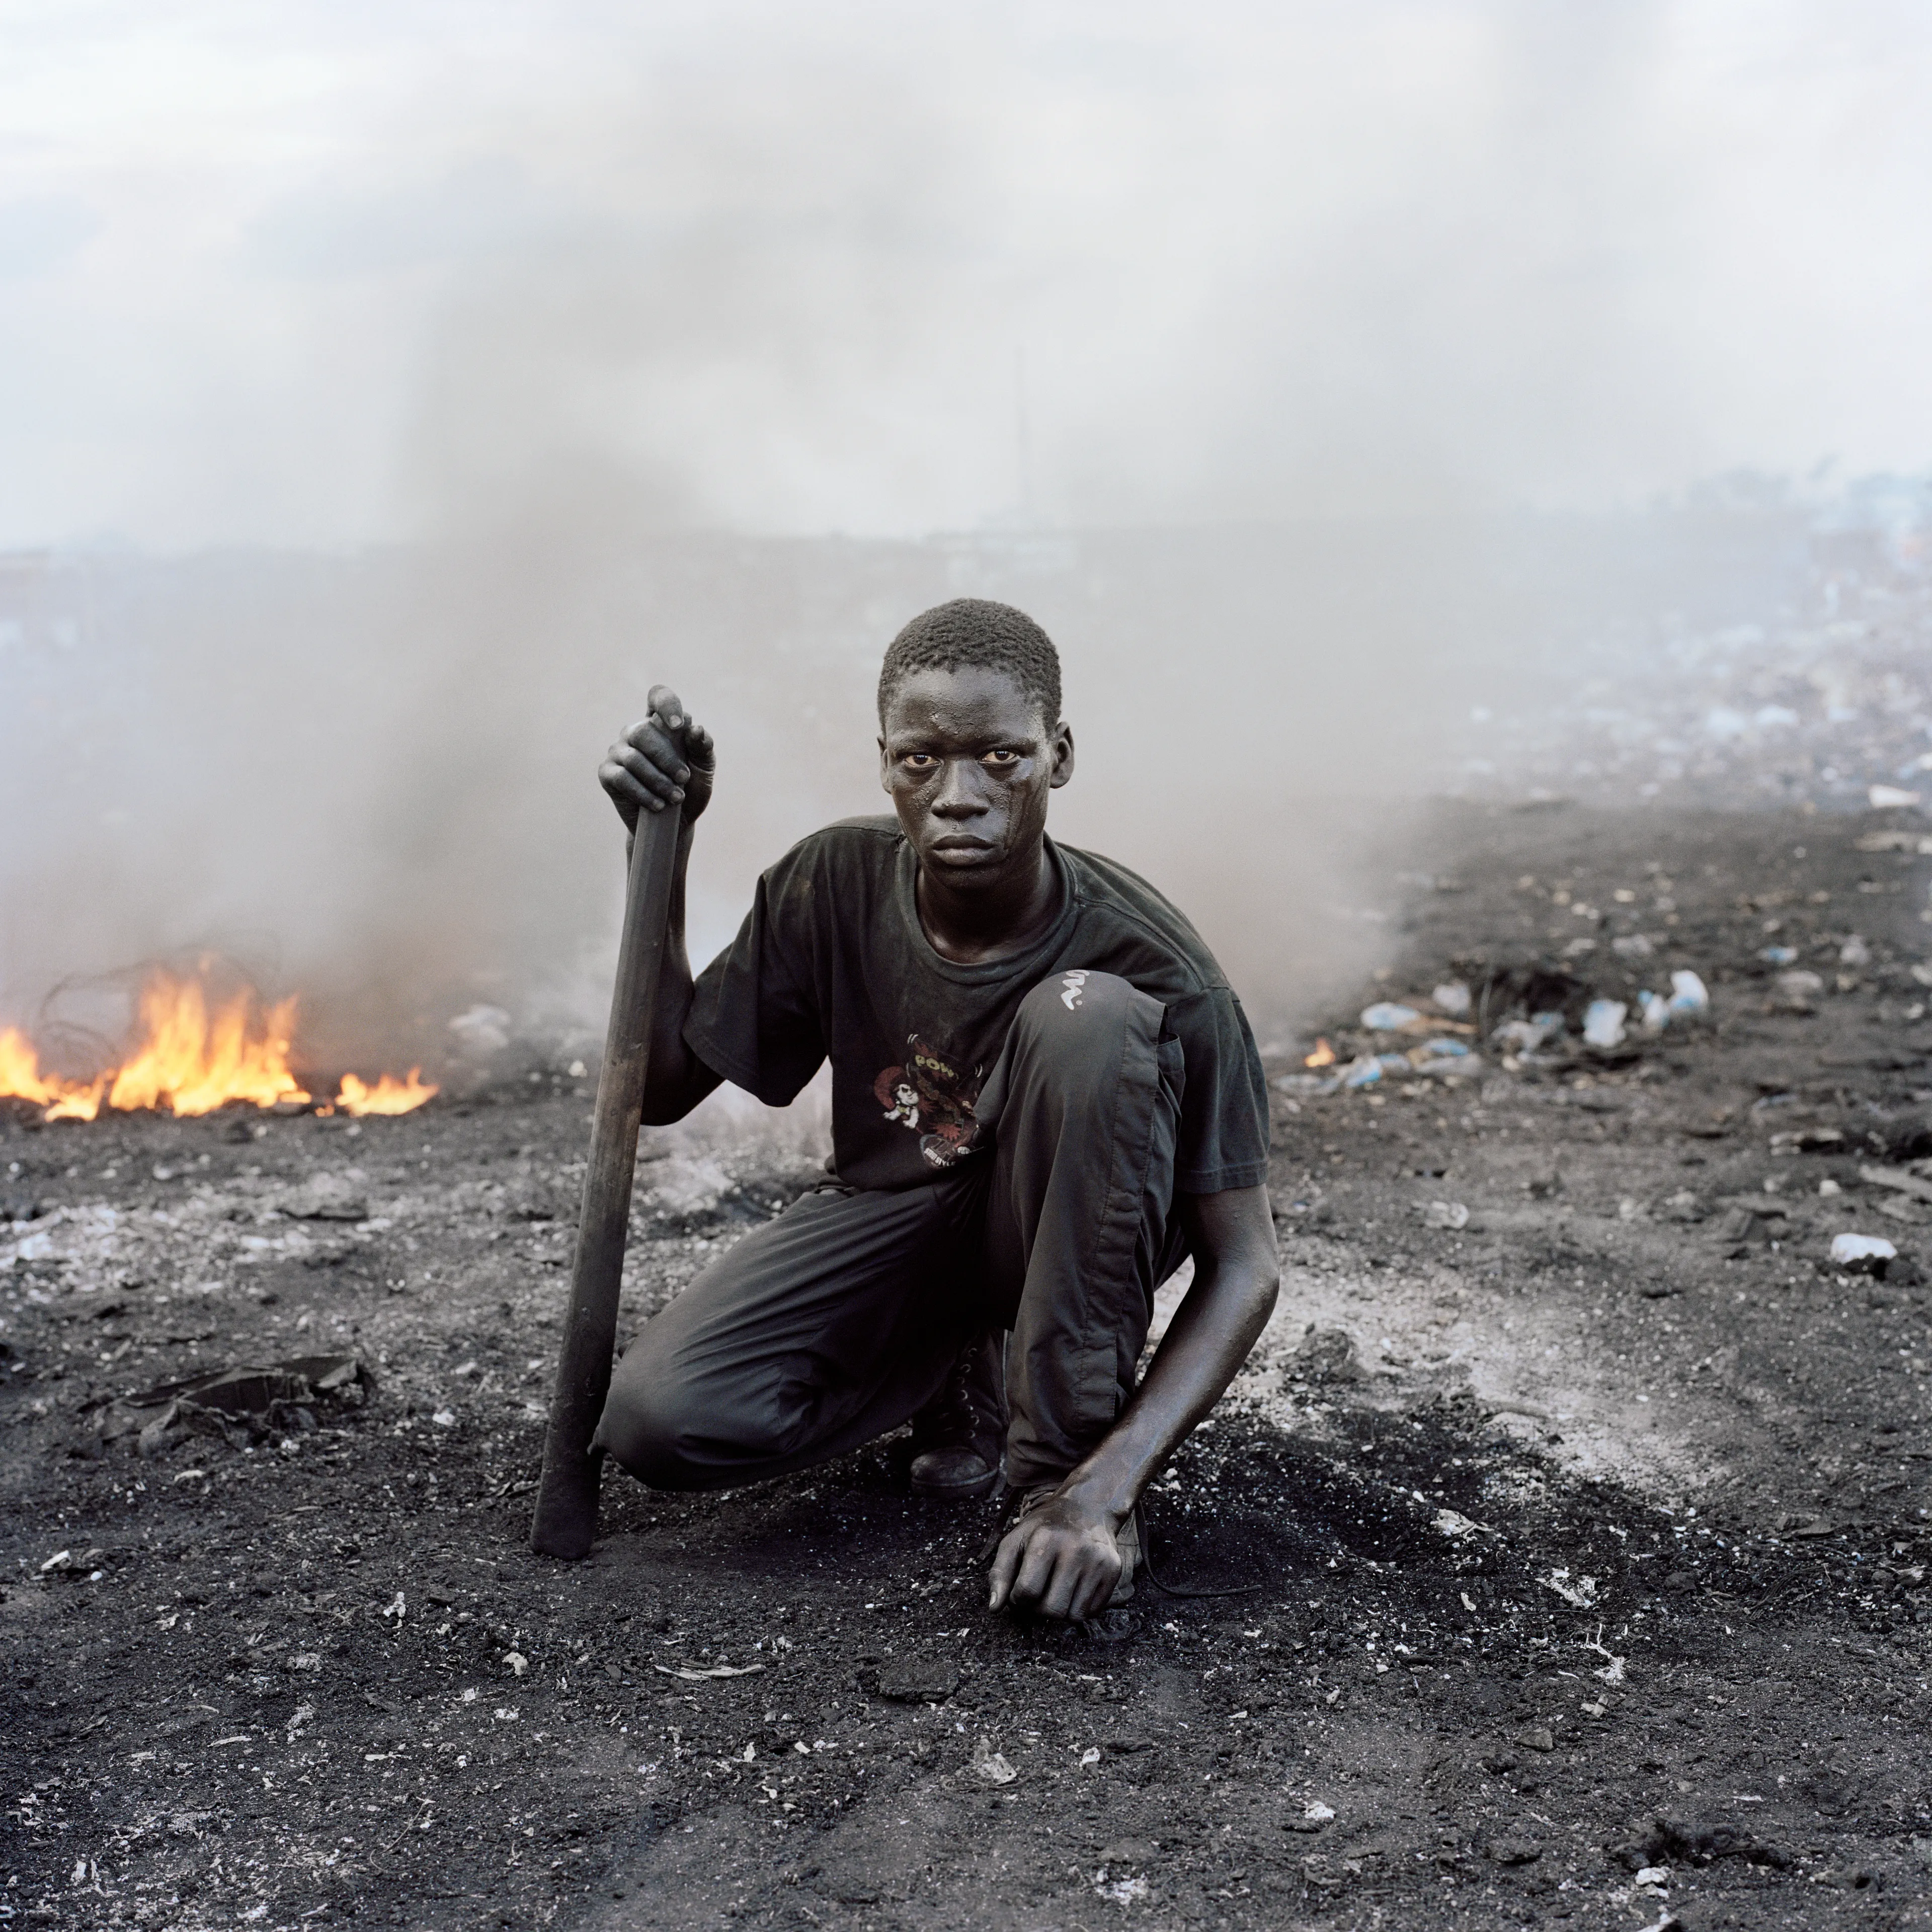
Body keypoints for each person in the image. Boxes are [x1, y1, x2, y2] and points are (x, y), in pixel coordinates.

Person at [592, 598, 1279, 1622]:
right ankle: (953, 1370)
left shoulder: (1157, 966)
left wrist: (1104, 1486)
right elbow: (659, 1092)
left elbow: (1247, 1266)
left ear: (1061, 755)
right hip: (899, 1214)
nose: (959, 796)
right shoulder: (833, 882)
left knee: (1087, 1022)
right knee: (660, 1420)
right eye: (923, 760)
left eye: (1000, 759)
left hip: (1067, 1228)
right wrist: (667, 845)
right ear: (884, 762)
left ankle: (1055, 1482)